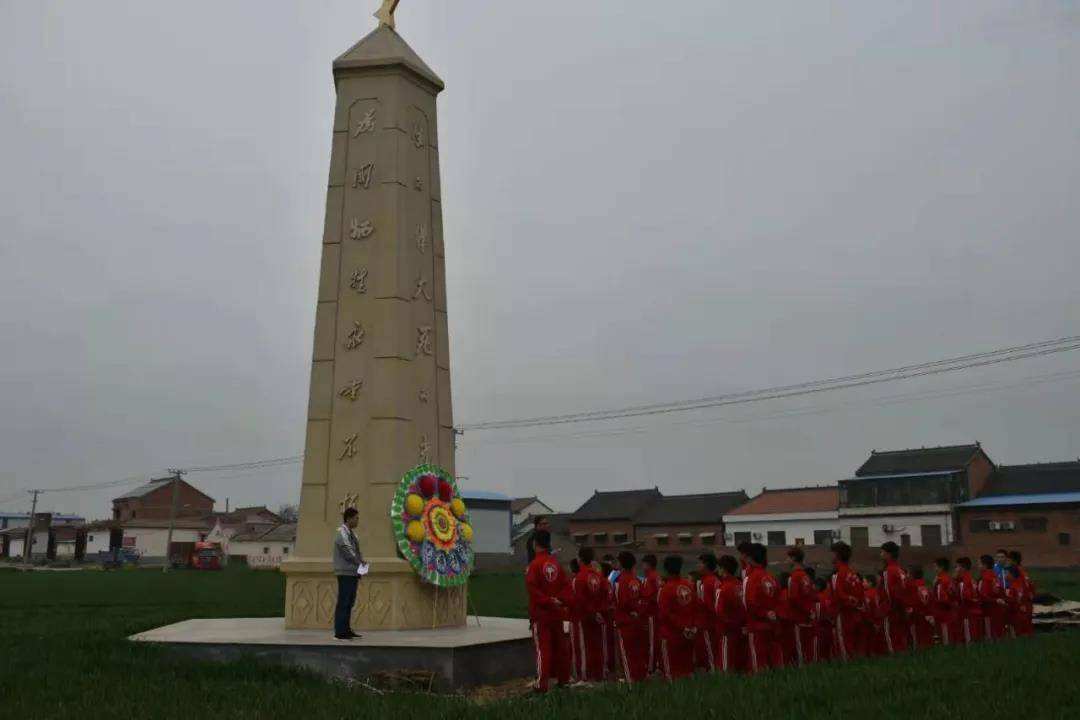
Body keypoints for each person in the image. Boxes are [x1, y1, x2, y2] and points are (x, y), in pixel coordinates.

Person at [525, 529, 572, 692]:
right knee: (560, 648)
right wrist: (559, 600)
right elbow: (566, 585)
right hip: (557, 612)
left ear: (534, 544)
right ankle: (564, 680)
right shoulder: (556, 564)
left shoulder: (533, 565)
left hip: (541, 613)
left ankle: (541, 684)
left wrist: (548, 601)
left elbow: (533, 590)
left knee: (542, 650)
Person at [742, 543, 782, 673]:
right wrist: (772, 614)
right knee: (774, 661)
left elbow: (748, 603)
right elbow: (779, 600)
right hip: (772, 625)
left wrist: (764, 613)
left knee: (757, 663)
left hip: (756, 625)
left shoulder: (751, 578)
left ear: (750, 559)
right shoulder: (771, 577)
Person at [658, 555, 697, 681]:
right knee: (687, 669)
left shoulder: (666, 589)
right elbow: (694, 607)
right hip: (689, 634)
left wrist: (682, 627)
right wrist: (691, 627)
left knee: (671, 673)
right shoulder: (689, 585)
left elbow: (665, 614)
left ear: (665, 569)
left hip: (671, 635)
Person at [572, 547, 608, 682]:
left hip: (583, 616)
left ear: (580, 559)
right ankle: (599, 673)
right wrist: (599, 611)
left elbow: (578, 600)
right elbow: (606, 593)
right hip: (598, 615)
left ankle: (584, 676)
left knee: (582, 646)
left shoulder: (579, 578)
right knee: (596, 645)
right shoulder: (599, 576)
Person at [613, 551, 648, 683]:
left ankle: (630, 680)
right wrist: (638, 612)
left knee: (626, 653)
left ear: (622, 563)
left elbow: (620, 601)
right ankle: (641, 677)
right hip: (637, 620)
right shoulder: (637, 580)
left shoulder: (620, 580)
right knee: (638, 651)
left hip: (624, 621)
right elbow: (643, 599)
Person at [332, 507, 364, 640]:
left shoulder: (352, 534)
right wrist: (359, 562)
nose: (358, 521)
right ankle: (340, 631)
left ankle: (346, 629)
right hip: (345, 572)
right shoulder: (342, 533)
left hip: (352, 572)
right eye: (356, 518)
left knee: (350, 601)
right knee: (344, 601)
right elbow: (348, 551)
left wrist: (361, 563)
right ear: (349, 518)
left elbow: (356, 552)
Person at [830, 541, 865, 661]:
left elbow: (838, 596)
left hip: (844, 615)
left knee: (844, 644)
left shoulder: (838, 575)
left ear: (836, 555)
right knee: (855, 644)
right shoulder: (853, 573)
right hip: (856, 613)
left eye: (832, 553)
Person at [785, 547, 817, 666]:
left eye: (788, 557)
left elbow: (794, 598)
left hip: (798, 617)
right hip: (807, 616)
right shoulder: (806, 576)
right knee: (807, 648)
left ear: (793, 558)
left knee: (799, 649)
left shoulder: (794, 577)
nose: (786, 560)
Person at [714, 554, 745, 673]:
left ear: (723, 569)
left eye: (719, 567)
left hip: (727, 631)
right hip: (741, 629)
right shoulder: (740, 584)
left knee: (726, 665)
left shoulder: (723, 588)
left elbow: (719, 611)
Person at [878, 542, 910, 654]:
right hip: (901, 608)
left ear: (888, 554)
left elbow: (888, 592)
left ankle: (894, 660)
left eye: (882, 552)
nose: (880, 555)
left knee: (890, 637)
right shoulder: (900, 570)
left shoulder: (888, 571)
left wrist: (887, 608)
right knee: (900, 637)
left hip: (891, 610)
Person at [694, 553, 721, 672]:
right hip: (714, 623)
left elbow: (709, 605)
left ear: (706, 565)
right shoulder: (714, 580)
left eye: (700, 563)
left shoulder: (707, 582)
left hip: (707, 623)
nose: (698, 566)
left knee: (709, 650)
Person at [640, 554, 662, 675]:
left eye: (643, 564)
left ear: (648, 565)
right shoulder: (654, 576)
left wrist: (641, 611)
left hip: (651, 614)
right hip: (653, 614)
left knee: (652, 641)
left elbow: (648, 598)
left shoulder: (651, 578)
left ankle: (651, 667)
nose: (642, 567)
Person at [978, 554, 1007, 641]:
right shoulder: (995, 576)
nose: (978, 566)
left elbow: (983, 595)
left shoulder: (986, 578)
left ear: (985, 565)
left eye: (979, 564)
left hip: (988, 611)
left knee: (990, 635)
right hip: (997, 610)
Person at [1007, 551, 1035, 637]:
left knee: (1022, 622)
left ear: (1014, 561)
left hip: (1022, 601)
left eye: (1009, 560)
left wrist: (1021, 601)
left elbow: (1022, 587)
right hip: (1026, 600)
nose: (1008, 562)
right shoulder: (1022, 570)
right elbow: (1030, 585)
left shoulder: (1018, 571)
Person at [954, 557, 982, 644]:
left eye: (957, 567)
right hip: (975, 612)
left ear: (963, 568)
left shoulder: (964, 582)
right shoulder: (971, 579)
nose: (955, 569)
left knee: (969, 640)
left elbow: (964, 598)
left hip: (967, 614)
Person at [907, 566, 935, 650]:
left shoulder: (912, 587)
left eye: (908, 573)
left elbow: (911, 604)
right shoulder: (927, 586)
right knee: (928, 641)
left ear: (912, 575)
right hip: (929, 617)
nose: (907, 576)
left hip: (917, 618)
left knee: (917, 643)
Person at [932, 557, 958, 646]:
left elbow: (942, 598)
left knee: (945, 639)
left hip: (943, 614)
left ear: (941, 567)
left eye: (935, 567)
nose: (934, 569)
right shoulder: (948, 579)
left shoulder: (941, 580)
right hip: (949, 612)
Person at [862, 574, 887, 657]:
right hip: (876, 620)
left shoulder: (867, 594)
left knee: (868, 640)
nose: (862, 583)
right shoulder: (876, 593)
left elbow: (868, 608)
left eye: (864, 582)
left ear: (870, 583)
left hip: (869, 621)